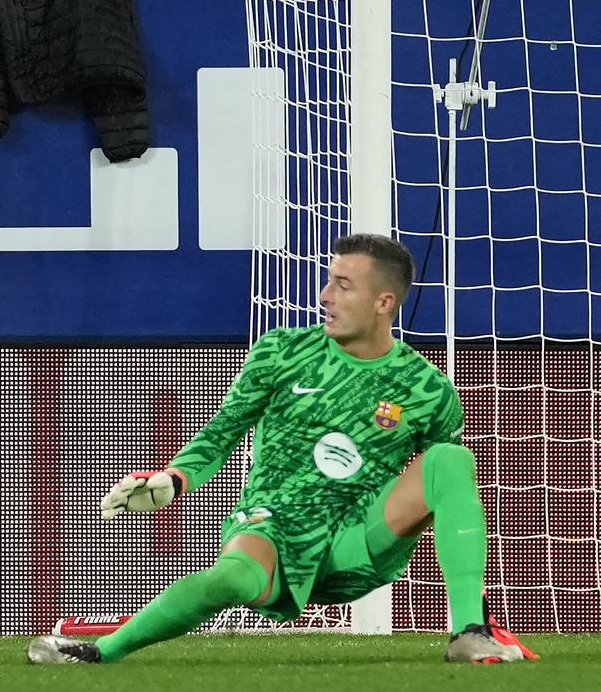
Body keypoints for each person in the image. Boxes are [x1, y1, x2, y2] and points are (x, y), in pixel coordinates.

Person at [28, 233, 536, 664]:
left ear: (384, 302)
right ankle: (101, 652)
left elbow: (450, 492)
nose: (324, 295)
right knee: (231, 575)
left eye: (343, 285)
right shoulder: (283, 350)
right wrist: (174, 478)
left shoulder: (427, 390)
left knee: (451, 459)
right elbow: (223, 430)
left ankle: (469, 630)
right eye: (328, 280)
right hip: (273, 523)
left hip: (357, 539)